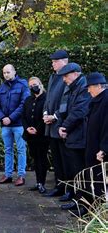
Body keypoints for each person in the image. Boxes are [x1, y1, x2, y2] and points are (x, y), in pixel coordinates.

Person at [61, 72, 107, 217]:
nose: (88, 90)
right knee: (90, 178)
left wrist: (104, 149)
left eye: (90, 87)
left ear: (99, 86)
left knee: (98, 181)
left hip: (100, 150)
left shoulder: (106, 100)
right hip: (91, 146)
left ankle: (96, 210)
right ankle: (87, 206)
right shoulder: (97, 99)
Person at [55, 63, 90, 205]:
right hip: (73, 135)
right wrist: (60, 125)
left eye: (66, 75)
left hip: (79, 136)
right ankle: (76, 197)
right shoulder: (73, 87)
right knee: (74, 169)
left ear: (76, 73)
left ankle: (81, 201)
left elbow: (79, 111)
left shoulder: (83, 87)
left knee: (80, 171)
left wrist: (65, 128)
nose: (64, 79)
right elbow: (63, 110)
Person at [0, 64, 30, 186]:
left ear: (14, 72)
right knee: (7, 150)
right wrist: (3, 117)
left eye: (8, 72)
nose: (6, 75)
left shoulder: (22, 85)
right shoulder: (1, 88)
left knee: (21, 149)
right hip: (5, 125)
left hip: (18, 124)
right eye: (4, 73)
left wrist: (11, 117)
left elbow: (24, 104)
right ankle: (7, 174)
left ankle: (21, 175)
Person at [43, 50, 69, 198]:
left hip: (60, 125)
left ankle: (67, 188)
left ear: (64, 61)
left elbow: (65, 102)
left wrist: (55, 116)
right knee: (56, 159)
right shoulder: (53, 77)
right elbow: (48, 99)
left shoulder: (67, 78)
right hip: (51, 126)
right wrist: (45, 113)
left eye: (55, 61)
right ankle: (59, 186)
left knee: (65, 160)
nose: (52, 64)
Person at [22, 77, 49, 193]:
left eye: (35, 84)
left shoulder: (46, 99)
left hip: (42, 135)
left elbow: (46, 116)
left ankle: (42, 183)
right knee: (35, 158)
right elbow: (23, 116)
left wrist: (37, 129)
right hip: (30, 135)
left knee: (42, 159)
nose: (33, 87)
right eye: (31, 85)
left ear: (40, 84)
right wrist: (27, 128)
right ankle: (38, 182)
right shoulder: (28, 99)